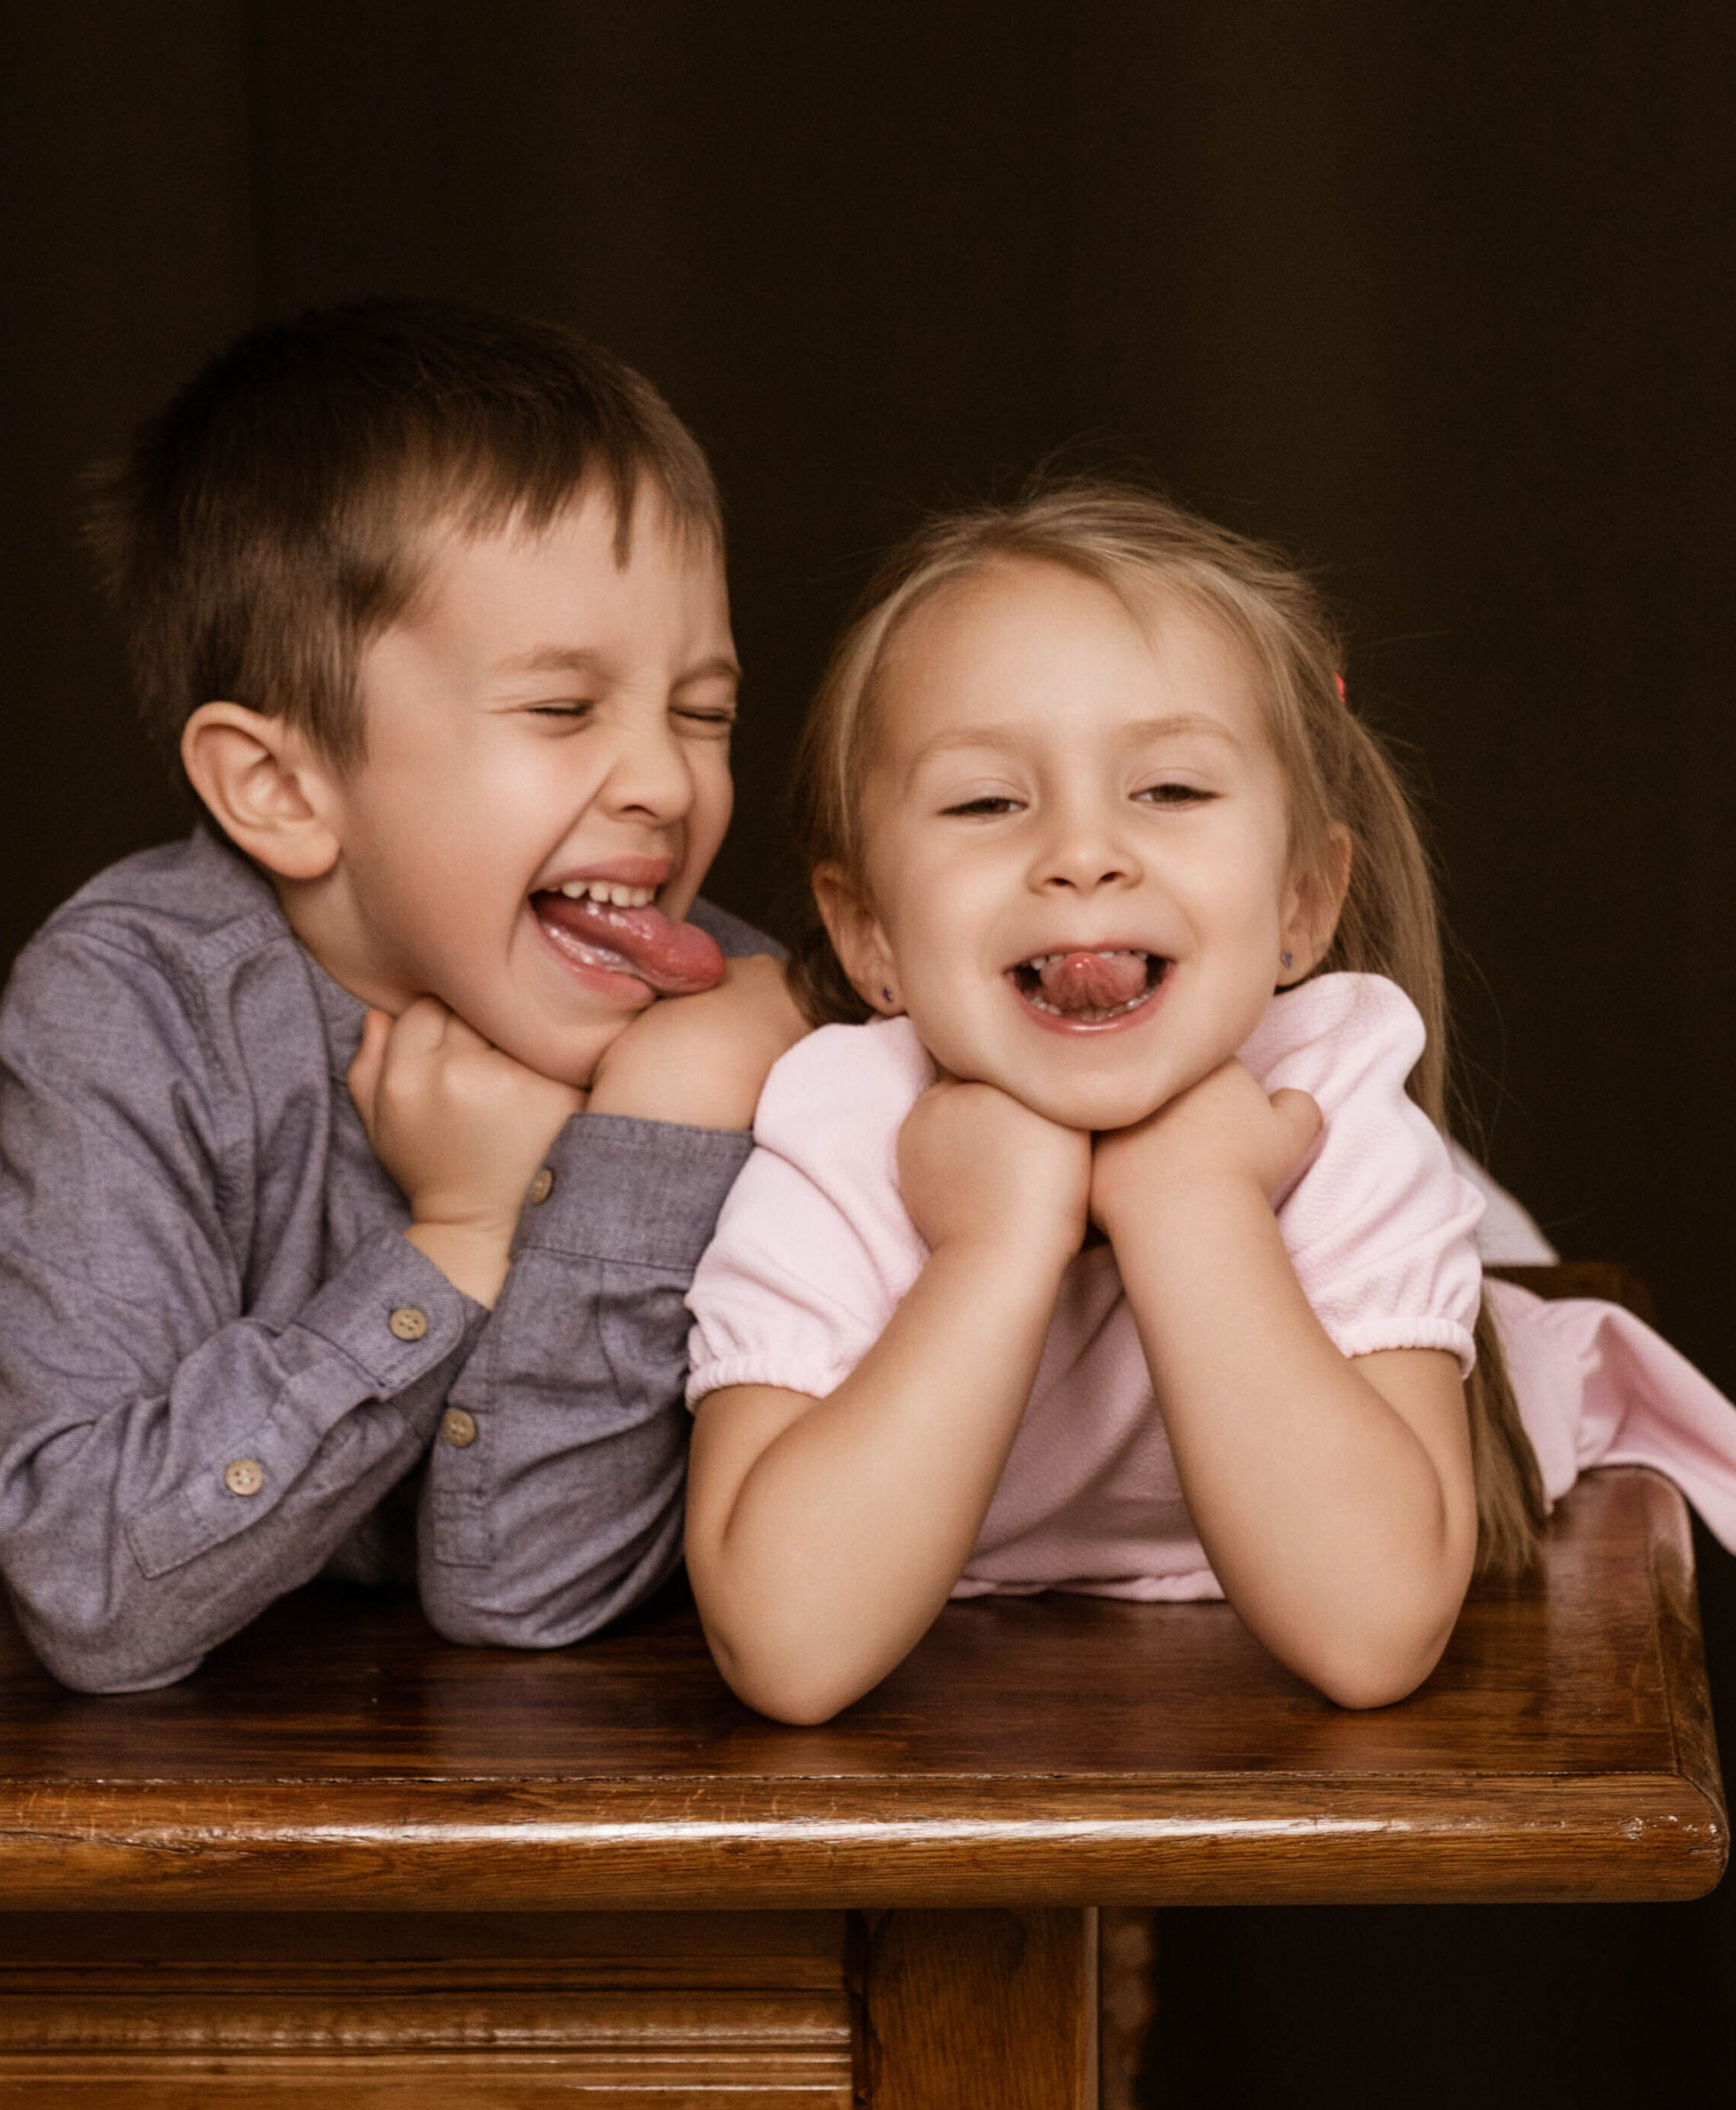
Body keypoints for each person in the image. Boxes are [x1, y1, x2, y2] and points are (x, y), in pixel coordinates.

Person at [0, 301, 804, 1694]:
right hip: (60, 1169)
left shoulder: (723, 1026)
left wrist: (651, 1141)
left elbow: (540, 1585)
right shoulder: (128, 999)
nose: (667, 782)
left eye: (702, 712)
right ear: (282, 791)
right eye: (560, 709)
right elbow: (99, 1592)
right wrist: (457, 1243)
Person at [683, 481, 1736, 1726]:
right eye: (986, 802)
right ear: (871, 938)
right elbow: (789, 1652)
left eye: (1170, 791)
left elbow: (1371, 1635)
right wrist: (994, 1245)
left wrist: (1197, 1204)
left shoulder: (1332, 1109)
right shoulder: (837, 1131)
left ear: (1301, 908)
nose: (1082, 850)